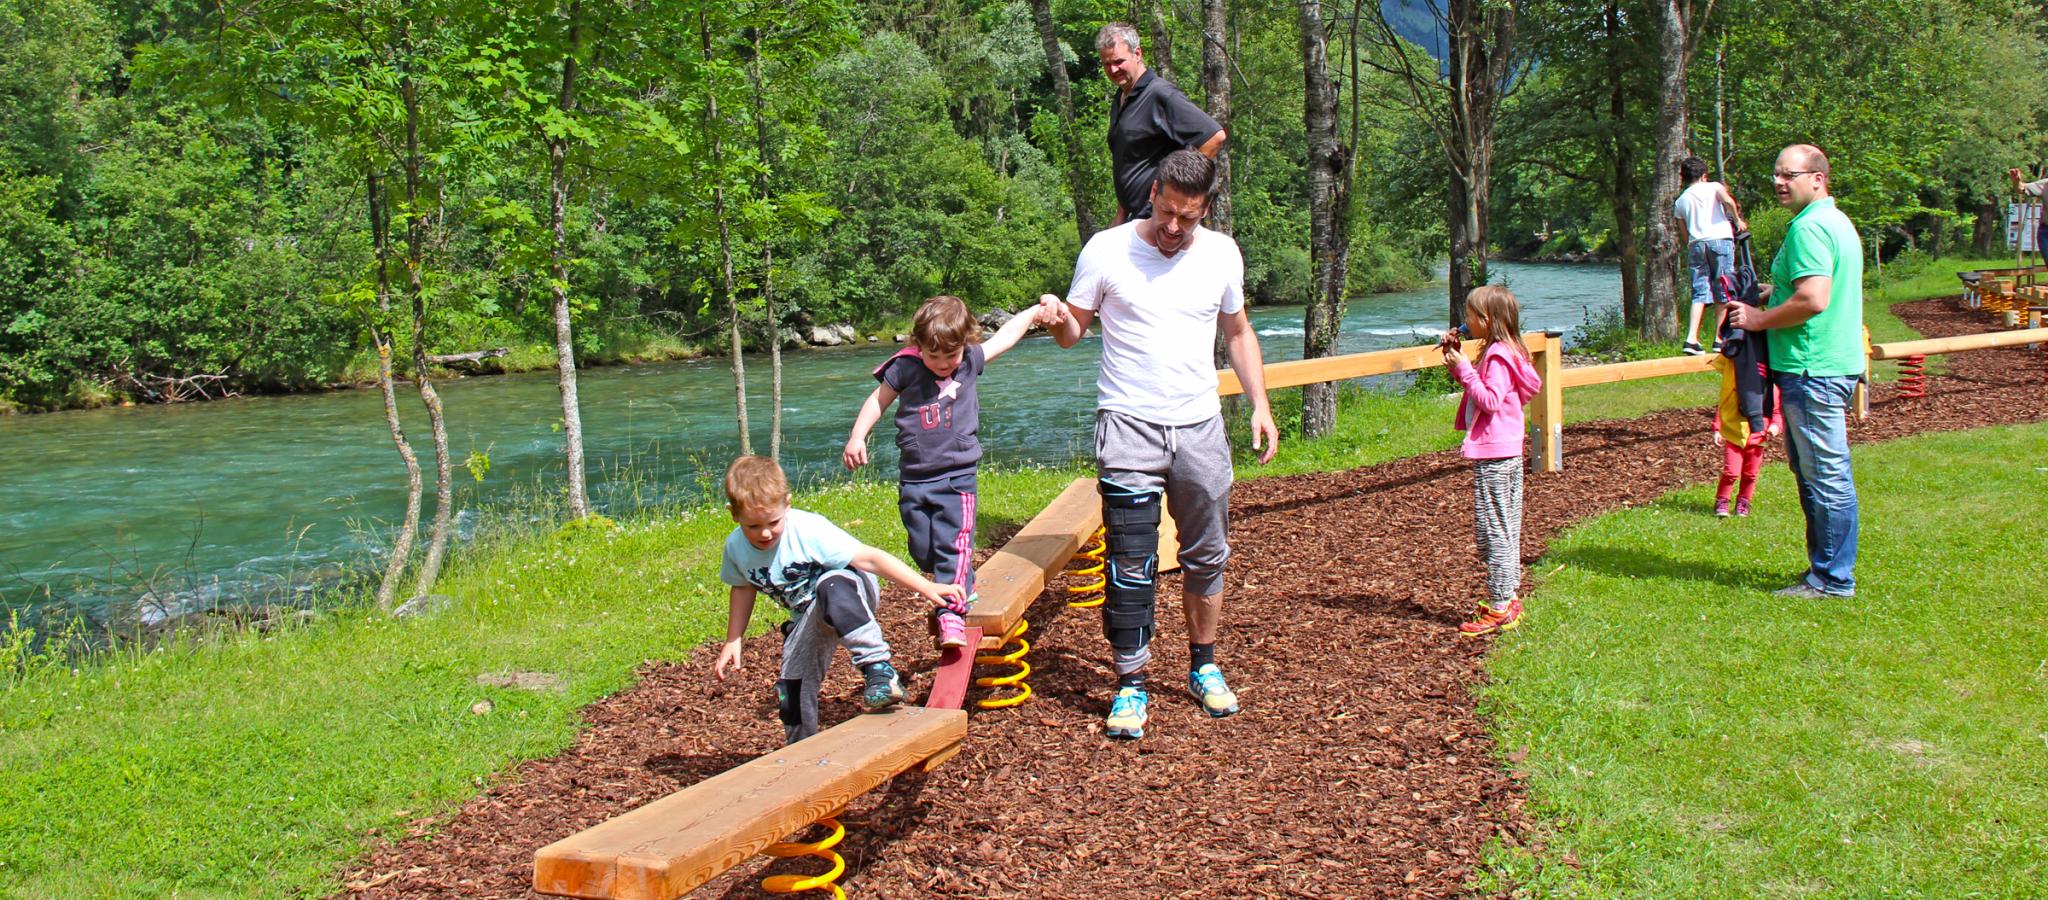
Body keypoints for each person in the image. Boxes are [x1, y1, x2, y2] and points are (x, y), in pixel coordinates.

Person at [1044, 149, 1278, 741]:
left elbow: (1238, 331)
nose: (1175, 229)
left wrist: (1260, 404)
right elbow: (1075, 334)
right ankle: (1130, 684)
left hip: (1199, 426)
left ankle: (1203, 664)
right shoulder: (1106, 249)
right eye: (1168, 213)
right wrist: (1056, 319)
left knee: (1207, 553)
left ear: (1205, 211)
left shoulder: (1222, 254)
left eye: (1190, 219)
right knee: (1131, 559)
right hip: (1128, 425)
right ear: (1153, 193)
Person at [843, 295, 1062, 649]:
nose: (943, 364)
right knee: (923, 550)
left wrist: (1035, 313)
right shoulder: (905, 367)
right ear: (919, 346)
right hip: (914, 477)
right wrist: (857, 436)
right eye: (934, 356)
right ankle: (958, 580)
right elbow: (877, 400)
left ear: (965, 345)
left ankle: (952, 614)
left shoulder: (970, 361)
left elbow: (1005, 337)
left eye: (951, 355)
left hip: (958, 477)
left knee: (955, 546)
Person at [714, 455, 967, 744]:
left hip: (850, 592)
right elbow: (743, 587)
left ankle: (879, 671)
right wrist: (733, 639)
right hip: (808, 617)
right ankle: (799, 750)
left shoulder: (808, 530)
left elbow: (869, 559)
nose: (765, 533)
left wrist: (926, 587)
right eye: (753, 527)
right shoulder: (736, 547)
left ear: (787, 502)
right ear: (733, 514)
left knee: (829, 583)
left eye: (773, 522)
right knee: (789, 689)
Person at [1727, 144, 1863, 599]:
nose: (1781, 183)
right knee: (1819, 472)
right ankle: (1824, 571)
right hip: (1830, 363)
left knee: (1824, 474)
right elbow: (1806, 288)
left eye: (1790, 175)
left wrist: (1757, 320)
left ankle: (1831, 580)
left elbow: (1814, 299)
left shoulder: (1809, 229)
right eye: (1776, 176)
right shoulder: (1835, 222)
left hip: (1812, 367)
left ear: (1818, 178)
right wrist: (1770, 291)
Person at [1437, 286, 1543, 636]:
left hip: (1495, 454)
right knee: (1504, 528)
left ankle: (1500, 607)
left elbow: (1490, 400)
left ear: (1486, 320)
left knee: (1493, 533)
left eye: (1469, 316)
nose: (1464, 321)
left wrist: (1465, 370)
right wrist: (1458, 360)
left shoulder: (1497, 356)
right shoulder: (1510, 349)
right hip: (1508, 449)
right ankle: (1508, 598)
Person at [1097, 22, 1226, 224]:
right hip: (1135, 219)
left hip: (1162, 223)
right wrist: (1121, 214)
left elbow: (1214, 137)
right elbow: (1131, 161)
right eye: (1106, 63)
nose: (1113, 69)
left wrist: (1179, 191)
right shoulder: (1122, 97)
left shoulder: (1160, 95)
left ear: (1137, 54)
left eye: (1119, 61)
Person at [1674, 156, 1749, 356]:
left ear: (1684, 178)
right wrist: (1737, 219)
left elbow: (1683, 231)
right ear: (1704, 175)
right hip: (1719, 239)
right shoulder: (1714, 187)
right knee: (1723, 287)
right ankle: (1719, 338)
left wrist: (1692, 244)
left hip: (1696, 244)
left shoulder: (1681, 201)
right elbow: (1728, 201)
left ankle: (1691, 338)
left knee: (1700, 291)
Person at [1710, 352, 1783, 518]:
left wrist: (1774, 427)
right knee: (1731, 472)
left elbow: (1777, 413)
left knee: (1750, 475)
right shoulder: (1738, 387)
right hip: (1734, 435)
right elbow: (1724, 407)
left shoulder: (1771, 391)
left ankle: (1744, 502)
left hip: (1757, 440)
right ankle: (1722, 500)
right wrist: (1718, 428)